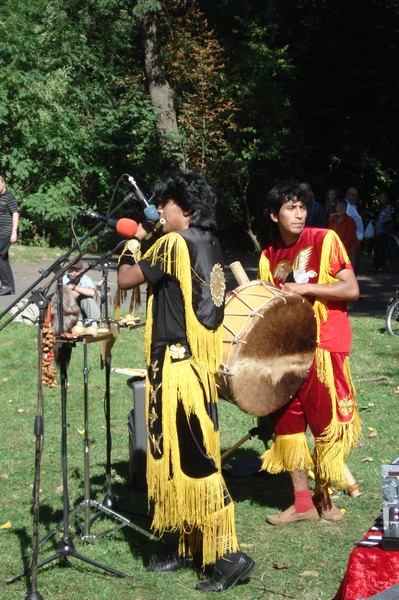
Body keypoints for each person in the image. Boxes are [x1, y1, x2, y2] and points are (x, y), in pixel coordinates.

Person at [117, 170, 254, 592]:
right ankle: (189, 544)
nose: (158, 210)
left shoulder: (174, 243)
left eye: (165, 204)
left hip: (178, 372)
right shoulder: (207, 241)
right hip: (198, 367)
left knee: (194, 462)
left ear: (187, 209)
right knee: (184, 457)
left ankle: (230, 557)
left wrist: (135, 238)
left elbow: (126, 279)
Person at [257, 180, 361, 526]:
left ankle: (325, 498)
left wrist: (306, 288)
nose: (299, 214)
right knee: (288, 425)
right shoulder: (268, 256)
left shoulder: (324, 239)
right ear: (274, 215)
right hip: (289, 351)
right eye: (290, 208)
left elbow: (351, 289)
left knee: (325, 423)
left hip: (324, 346)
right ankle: (302, 503)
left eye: (301, 207)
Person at [62, 260, 101, 324]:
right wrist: (83, 291)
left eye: (76, 270)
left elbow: (92, 293)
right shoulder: (64, 279)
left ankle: (93, 321)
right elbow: (68, 294)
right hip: (69, 312)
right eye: (71, 269)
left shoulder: (85, 279)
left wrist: (74, 287)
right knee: (71, 298)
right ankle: (78, 322)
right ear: (68, 270)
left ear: (82, 270)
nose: (73, 273)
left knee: (88, 298)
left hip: (84, 307)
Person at [0, 176, 19, 295]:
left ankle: (6, 284)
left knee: (0, 256)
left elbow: (15, 214)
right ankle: (9, 286)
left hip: (5, 231)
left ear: (3, 183)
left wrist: (14, 231)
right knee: (3, 258)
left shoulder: (9, 197)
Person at [372, 191, 392, 272]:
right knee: (376, 248)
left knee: (381, 249)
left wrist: (380, 222)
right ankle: (376, 266)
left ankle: (381, 266)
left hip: (383, 230)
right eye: (381, 198)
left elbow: (389, 218)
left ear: (386, 198)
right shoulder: (381, 208)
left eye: (383, 197)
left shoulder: (388, 207)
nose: (382, 199)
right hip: (378, 230)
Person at [345, 187, 364, 274]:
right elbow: (350, 226)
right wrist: (356, 240)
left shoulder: (352, 207)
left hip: (356, 240)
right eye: (353, 195)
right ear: (348, 195)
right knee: (353, 265)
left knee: (356, 265)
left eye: (356, 195)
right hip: (353, 240)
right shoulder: (348, 208)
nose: (355, 197)